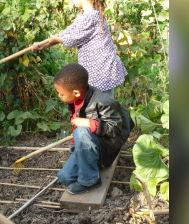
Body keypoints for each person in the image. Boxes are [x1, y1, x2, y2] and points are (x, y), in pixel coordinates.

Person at [31, 0, 127, 99]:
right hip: (97, 71)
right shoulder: (85, 15)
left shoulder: (92, 16)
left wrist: (56, 40)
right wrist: (43, 45)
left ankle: (101, 119)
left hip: (102, 72)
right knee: (96, 106)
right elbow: (67, 33)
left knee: (102, 107)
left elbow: (71, 39)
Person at [53, 63, 134, 195]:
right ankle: (86, 159)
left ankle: (90, 181)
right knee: (65, 178)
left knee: (81, 130)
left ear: (76, 92)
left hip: (105, 149)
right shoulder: (74, 100)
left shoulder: (103, 102)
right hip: (88, 148)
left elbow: (115, 130)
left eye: (61, 94)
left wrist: (89, 123)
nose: (59, 96)